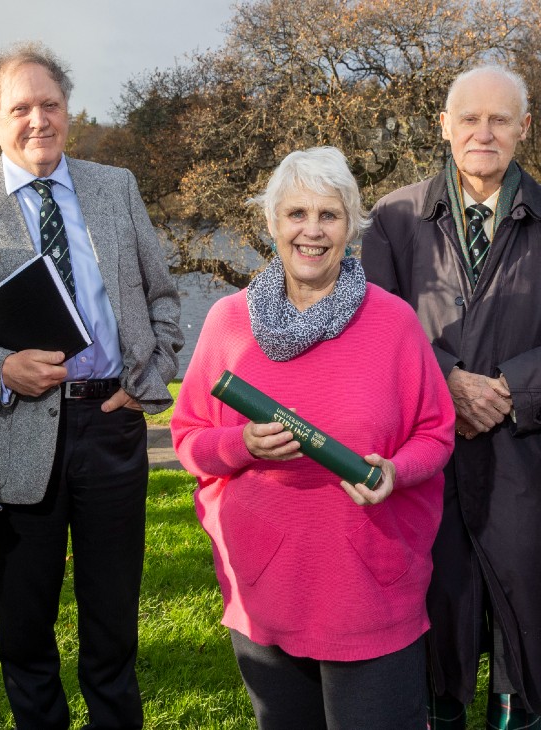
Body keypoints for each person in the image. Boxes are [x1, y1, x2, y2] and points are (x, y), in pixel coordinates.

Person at [0, 41, 182, 730]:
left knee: (113, 623)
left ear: (68, 110)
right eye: (20, 108)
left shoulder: (115, 186)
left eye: (51, 104)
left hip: (111, 423)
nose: (38, 119)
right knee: (24, 629)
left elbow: (164, 299)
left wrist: (148, 383)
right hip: (16, 431)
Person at [361, 64, 541, 729]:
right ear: (443, 127)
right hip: (427, 467)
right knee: (438, 641)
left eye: (500, 119)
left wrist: (514, 386)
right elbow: (373, 327)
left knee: (521, 644)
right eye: (470, 119)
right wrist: (447, 381)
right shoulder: (393, 220)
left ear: (524, 128)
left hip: (528, 464)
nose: (484, 132)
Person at [170, 146, 456, 729]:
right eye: (296, 213)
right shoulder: (228, 321)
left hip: (368, 588)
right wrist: (241, 445)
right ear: (273, 223)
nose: (312, 230)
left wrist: (395, 472)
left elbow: (436, 432)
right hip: (263, 586)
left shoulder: (393, 321)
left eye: (329, 214)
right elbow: (188, 436)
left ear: (351, 226)